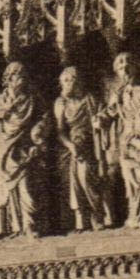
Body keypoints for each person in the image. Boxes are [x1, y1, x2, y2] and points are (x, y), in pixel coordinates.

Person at [0, 61, 47, 238]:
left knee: (26, 186)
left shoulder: (33, 98)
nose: (22, 79)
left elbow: (45, 117)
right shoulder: (0, 100)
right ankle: (15, 228)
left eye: (24, 75)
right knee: (8, 190)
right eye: (18, 75)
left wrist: (39, 130)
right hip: (3, 148)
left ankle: (30, 225)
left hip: (24, 146)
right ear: (9, 78)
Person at [104, 51, 140, 226]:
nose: (125, 69)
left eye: (128, 64)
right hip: (126, 137)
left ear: (136, 66)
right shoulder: (121, 91)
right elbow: (111, 111)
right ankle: (135, 211)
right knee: (128, 175)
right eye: (120, 67)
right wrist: (101, 118)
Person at [53, 66, 114, 231]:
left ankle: (97, 215)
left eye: (69, 80)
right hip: (71, 145)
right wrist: (71, 146)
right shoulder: (61, 103)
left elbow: (106, 115)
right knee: (72, 181)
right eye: (63, 81)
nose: (66, 84)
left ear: (77, 80)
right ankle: (80, 220)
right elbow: (60, 132)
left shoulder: (90, 100)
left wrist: (100, 121)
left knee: (87, 176)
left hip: (91, 143)